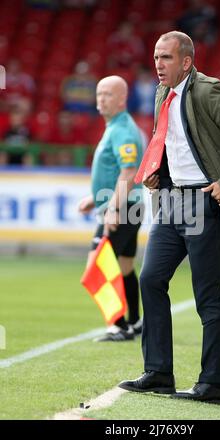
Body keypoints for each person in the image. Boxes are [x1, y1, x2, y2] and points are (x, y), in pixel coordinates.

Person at [118, 31, 220, 404]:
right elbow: (174, 142)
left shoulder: (208, 91)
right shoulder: (160, 93)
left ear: (186, 61)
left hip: (204, 202)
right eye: (155, 57)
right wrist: (158, 173)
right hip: (171, 201)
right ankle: (158, 372)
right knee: (151, 279)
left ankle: (213, 384)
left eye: (166, 58)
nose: (158, 64)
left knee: (207, 297)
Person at [78, 75, 144, 342]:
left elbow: (129, 172)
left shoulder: (123, 130)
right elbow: (116, 171)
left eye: (108, 94)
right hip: (128, 205)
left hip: (124, 207)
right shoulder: (116, 126)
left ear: (122, 98)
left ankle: (117, 326)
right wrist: (96, 198)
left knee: (97, 266)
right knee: (125, 264)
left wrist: (113, 209)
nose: (101, 98)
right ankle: (135, 321)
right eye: (99, 93)